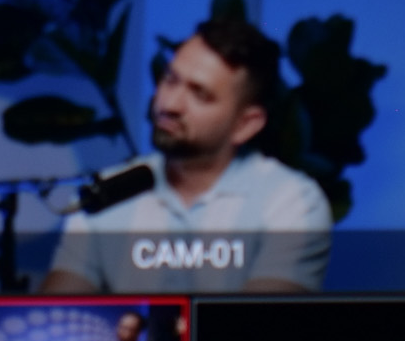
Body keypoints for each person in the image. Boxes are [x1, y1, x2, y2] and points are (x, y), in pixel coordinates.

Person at [40, 19, 333, 294]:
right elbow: (59, 312)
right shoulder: (106, 191)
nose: (169, 104)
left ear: (245, 125)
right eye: (170, 80)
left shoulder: (291, 202)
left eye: (200, 94)